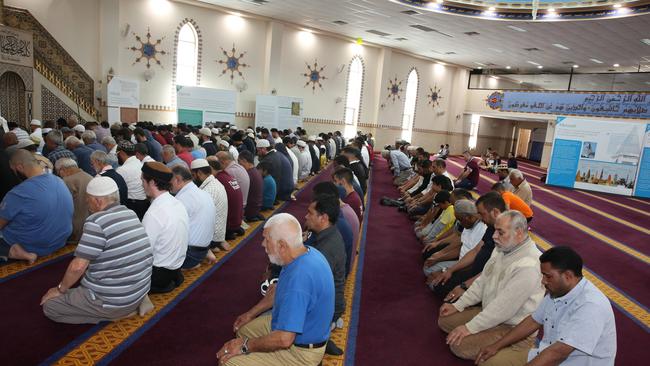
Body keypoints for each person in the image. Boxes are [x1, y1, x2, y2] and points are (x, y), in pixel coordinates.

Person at [219, 213, 333, 366]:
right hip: (296, 329)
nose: (263, 244)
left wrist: (245, 346)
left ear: (282, 245)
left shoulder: (299, 279)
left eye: (267, 239)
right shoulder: (305, 253)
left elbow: (285, 339)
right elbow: (279, 290)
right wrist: (250, 314)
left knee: (229, 362)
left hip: (301, 352)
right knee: (243, 330)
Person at [476, 246, 616, 366]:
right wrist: (496, 346)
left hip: (569, 361)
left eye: (548, 276)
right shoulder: (557, 292)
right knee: (489, 361)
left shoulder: (591, 306)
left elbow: (559, 352)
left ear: (568, 276)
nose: (543, 281)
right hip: (547, 353)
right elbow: (533, 321)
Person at [40, 177, 154, 324]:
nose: (87, 204)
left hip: (112, 302)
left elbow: (78, 266)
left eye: (88, 200)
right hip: (138, 293)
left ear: (98, 201)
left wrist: (60, 289)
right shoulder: (130, 213)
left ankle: (112, 315)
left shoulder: (96, 222)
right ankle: (127, 307)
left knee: (51, 307)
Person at [438, 210, 545, 363]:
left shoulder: (529, 265)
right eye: (495, 230)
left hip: (512, 327)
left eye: (500, 232)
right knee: (445, 320)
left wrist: (469, 328)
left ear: (519, 233)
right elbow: (483, 281)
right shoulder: (502, 247)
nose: (494, 236)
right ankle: (484, 327)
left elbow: (504, 308)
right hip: (491, 311)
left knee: (459, 345)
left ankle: (519, 348)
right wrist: (459, 305)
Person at [0, 150, 73, 263]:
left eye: (13, 170)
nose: (13, 173)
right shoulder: (59, 180)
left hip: (34, 246)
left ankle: (18, 253)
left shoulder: (18, 193)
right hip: (60, 241)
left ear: (19, 167)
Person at [430, 192, 505, 300]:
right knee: (438, 286)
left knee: (446, 296)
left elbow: (492, 271)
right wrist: (450, 270)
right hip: (474, 272)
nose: (479, 217)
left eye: (481, 214)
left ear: (495, 212)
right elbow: (475, 251)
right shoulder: (492, 226)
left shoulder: (507, 234)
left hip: (485, 280)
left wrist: (464, 285)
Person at [304, 194, 347, 356]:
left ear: (323, 218)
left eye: (310, 213)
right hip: (332, 300)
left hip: (329, 307)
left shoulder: (326, 249)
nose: (306, 216)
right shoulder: (328, 234)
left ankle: (318, 340)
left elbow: (311, 289)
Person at [141, 162, 189, 293]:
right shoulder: (177, 203)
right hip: (176, 270)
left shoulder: (154, 213)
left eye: (142, 180)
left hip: (159, 276)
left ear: (151, 182)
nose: (141, 184)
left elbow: (143, 253)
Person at [423, 199, 487, 276]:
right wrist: (439, 257)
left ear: (468, 217)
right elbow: (461, 248)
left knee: (431, 274)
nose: (460, 223)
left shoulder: (483, 229)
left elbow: (473, 261)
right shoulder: (469, 225)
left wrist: (447, 271)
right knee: (428, 266)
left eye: (460, 220)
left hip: (467, 267)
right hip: (460, 262)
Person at [171, 165, 217, 268]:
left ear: (177, 179)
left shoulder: (182, 199)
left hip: (190, 256)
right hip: (204, 250)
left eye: (170, 181)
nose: (168, 185)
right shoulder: (204, 193)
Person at [191, 159, 230, 252]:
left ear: (199, 173)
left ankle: (208, 250)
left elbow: (201, 219)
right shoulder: (215, 183)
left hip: (212, 238)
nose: (192, 179)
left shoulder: (208, 190)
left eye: (193, 175)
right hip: (218, 235)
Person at [55, 158, 93, 244]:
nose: (59, 175)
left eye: (58, 172)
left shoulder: (66, 181)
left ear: (63, 169)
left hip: (75, 226)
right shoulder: (89, 176)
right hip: (89, 222)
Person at [207, 157, 244, 240]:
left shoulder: (217, 180)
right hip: (237, 221)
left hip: (229, 225)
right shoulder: (227, 176)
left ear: (211, 169)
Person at [116, 141, 149, 220]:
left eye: (117, 154)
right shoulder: (141, 164)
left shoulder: (122, 170)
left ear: (121, 153)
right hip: (144, 203)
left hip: (132, 205)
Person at [238, 151, 263, 221]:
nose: (238, 164)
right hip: (256, 208)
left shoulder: (248, 174)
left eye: (239, 161)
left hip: (250, 211)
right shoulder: (255, 171)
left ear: (244, 161)